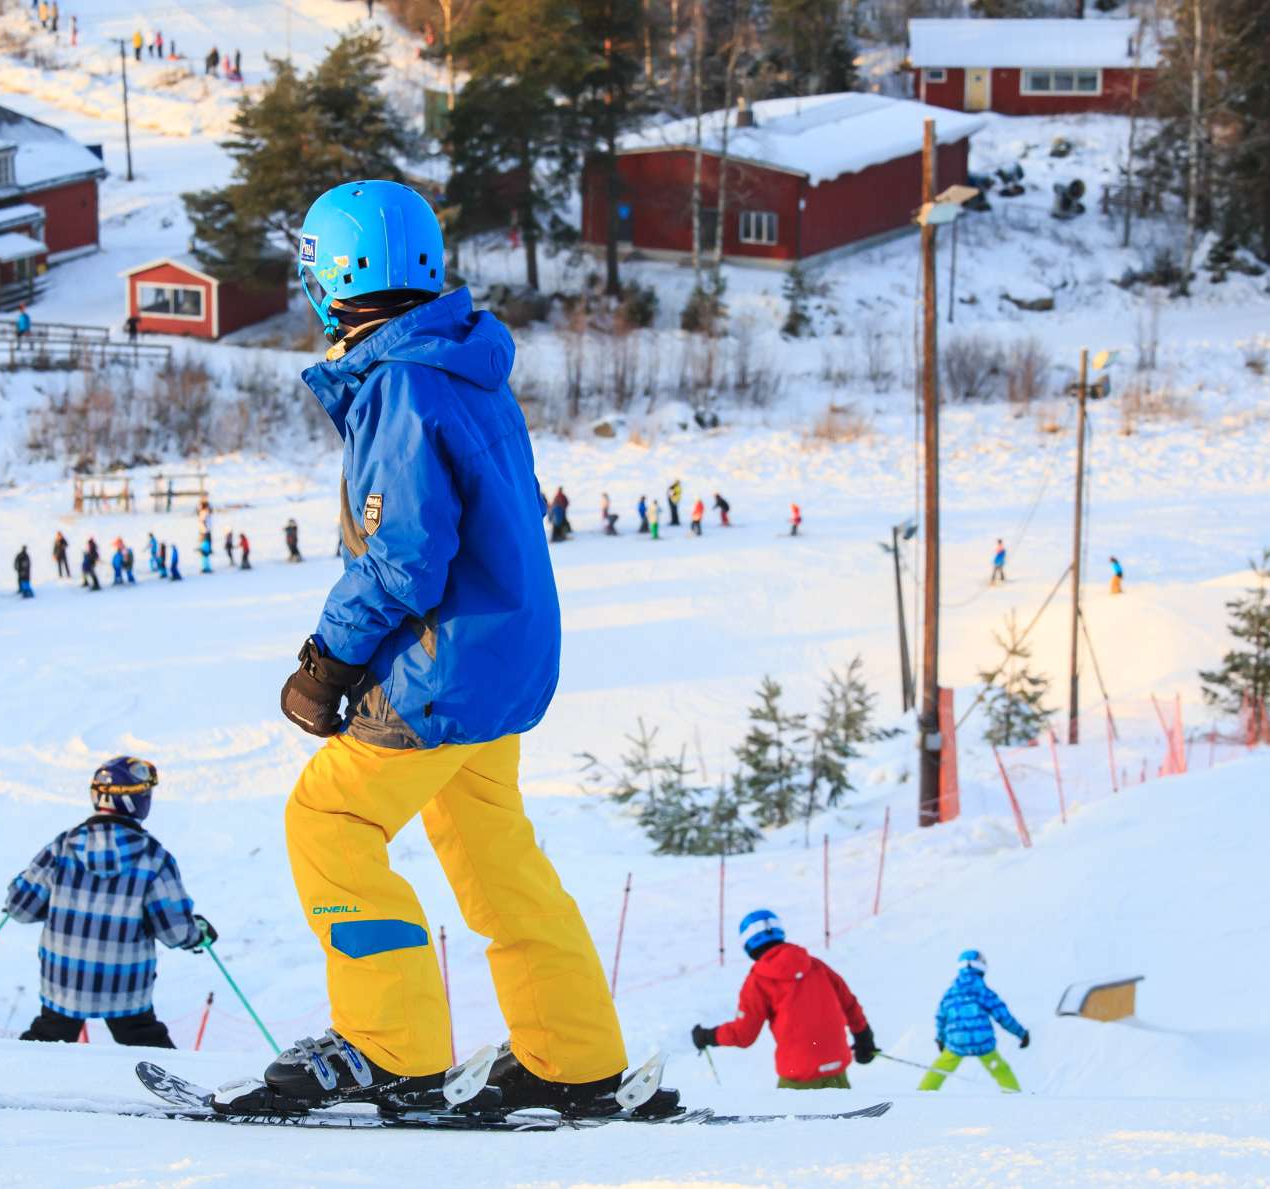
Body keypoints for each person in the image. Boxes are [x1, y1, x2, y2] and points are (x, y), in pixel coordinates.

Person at [238, 179, 667, 1120]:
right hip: (500, 664)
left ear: (334, 276)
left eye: (310, 266)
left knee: (331, 821)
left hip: (442, 672)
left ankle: (391, 1048)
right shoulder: (462, 364)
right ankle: (573, 1054)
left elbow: (402, 556)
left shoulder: (401, 383)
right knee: (494, 852)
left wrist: (326, 664)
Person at [6, 757, 211, 1047]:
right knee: (145, 1039)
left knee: (49, 1036)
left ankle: (15, 1079)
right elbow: (175, 930)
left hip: (64, 982)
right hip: (125, 987)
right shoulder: (153, 857)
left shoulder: (62, 847)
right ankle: (167, 1085)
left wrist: (20, 890)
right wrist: (197, 934)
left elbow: (20, 908)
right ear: (139, 800)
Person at [693, 910, 875, 1090]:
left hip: (799, 1077)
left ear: (748, 943)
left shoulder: (759, 979)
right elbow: (849, 1004)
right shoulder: (816, 965)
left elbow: (744, 1035)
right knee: (841, 1117)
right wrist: (864, 1037)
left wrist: (709, 1036)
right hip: (837, 1068)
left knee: (788, 1119)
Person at [919, 950, 1027, 1093]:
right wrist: (1021, 1033)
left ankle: (924, 1092)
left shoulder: (950, 992)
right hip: (982, 1042)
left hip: (957, 1041)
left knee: (940, 1068)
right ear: (981, 967)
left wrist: (940, 1039)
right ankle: (1014, 1093)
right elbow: (1003, 1016)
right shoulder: (983, 991)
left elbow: (941, 1018)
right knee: (1000, 1069)